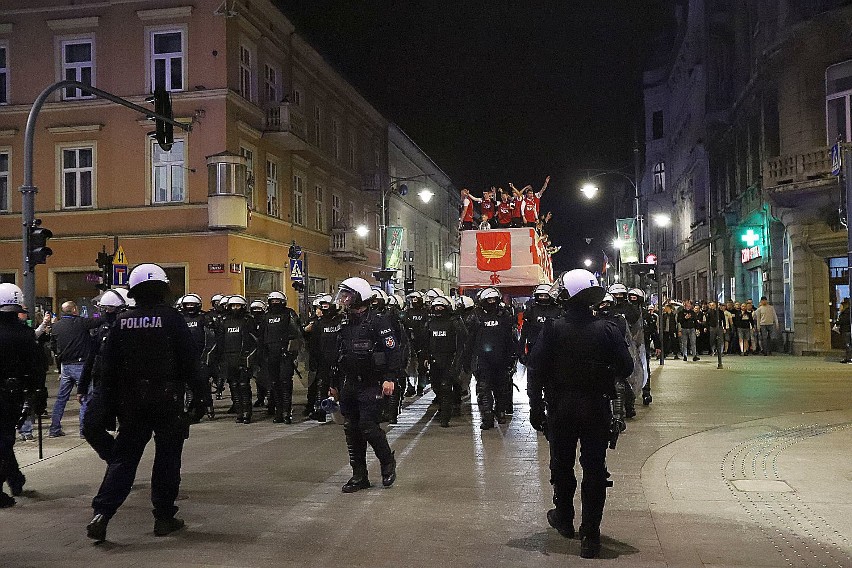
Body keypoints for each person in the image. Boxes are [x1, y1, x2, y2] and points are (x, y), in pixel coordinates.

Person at [86, 263, 207, 542]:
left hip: (132, 403)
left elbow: (107, 369)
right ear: (163, 288)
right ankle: (164, 518)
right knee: (167, 460)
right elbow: (190, 362)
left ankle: (102, 514)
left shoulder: (122, 322)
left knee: (123, 460)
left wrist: (106, 407)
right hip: (168, 401)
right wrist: (201, 398)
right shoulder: (172, 319)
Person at [527, 269, 633, 559]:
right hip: (596, 407)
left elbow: (535, 370)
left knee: (561, 464)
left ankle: (564, 517)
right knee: (595, 469)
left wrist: (535, 406)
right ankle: (590, 534)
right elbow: (627, 368)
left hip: (561, 407)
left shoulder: (551, 328)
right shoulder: (609, 328)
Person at [329, 278, 400, 492]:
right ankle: (359, 476)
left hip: (372, 383)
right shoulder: (344, 322)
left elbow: (393, 352)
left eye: (347, 295)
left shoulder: (379, 322)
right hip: (349, 383)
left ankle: (387, 463)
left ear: (359, 297)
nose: (343, 299)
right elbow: (337, 356)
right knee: (351, 428)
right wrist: (334, 384)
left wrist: (390, 378)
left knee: (368, 427)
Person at [0, 283, 48, 507]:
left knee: (4, 440)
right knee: (5, 439)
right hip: (12, 394)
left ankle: (15, 479)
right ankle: (12, 481)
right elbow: (38, 367)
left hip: (9, 392)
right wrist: (38, 395)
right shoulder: (25, 334)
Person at [49, 300, 100, 437]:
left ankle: (54, 428)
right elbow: (98, 321)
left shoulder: (57, 326)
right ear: (74, 310)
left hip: (65, 366)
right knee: (85, 396)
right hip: (81, 365)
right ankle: (84, 430)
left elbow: (53, 346)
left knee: (61, 398)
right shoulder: (81, 323)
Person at [469, 287, 517, 429]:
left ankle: (500, 412)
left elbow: (510, 337)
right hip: (483, 359)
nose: (491, 302)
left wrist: (513, 356)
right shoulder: (476, 315)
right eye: (488, 300)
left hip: (501, 358)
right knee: (484, 388)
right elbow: (470, 338)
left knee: (501, 388)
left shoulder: (504, 315)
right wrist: (468, 359)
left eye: (493, 299)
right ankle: (487, 416)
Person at [257, 291, 302, 423]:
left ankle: (286, 412)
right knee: (274, 383)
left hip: (285, 355)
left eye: (277, 301)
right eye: (273, 301)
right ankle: (278, 412)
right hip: (271, 355)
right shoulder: (266, 317)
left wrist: (291, 352)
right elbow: (261, 337)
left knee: (285, 383)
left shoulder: (289, 314)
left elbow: (297, 335)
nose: (275, 304)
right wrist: (262, 354)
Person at [424, 295, 468, 427]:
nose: (438, 309)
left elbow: (462, 340)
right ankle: (443, 408)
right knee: (436, 386)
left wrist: (459, 360)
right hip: (434, 360)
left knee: (446, 387)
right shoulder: (430, 323)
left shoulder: (454, 322)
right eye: (436, 307)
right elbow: (425, 342)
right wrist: (425, 357)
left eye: (441, 307)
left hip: (450, 359)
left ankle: (445, 416)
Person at [216, 295, 257, 423]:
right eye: (233, 306)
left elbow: (254, 340)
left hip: (243, 357)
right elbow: (220, 341)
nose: (235, 308)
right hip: (229, 358)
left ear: (243, 306)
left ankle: (246, 412)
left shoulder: (248, 320)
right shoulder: (224, 321)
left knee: (244, 385)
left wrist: (249, 357)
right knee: (233, 386)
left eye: (237, 306)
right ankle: (239, 412)